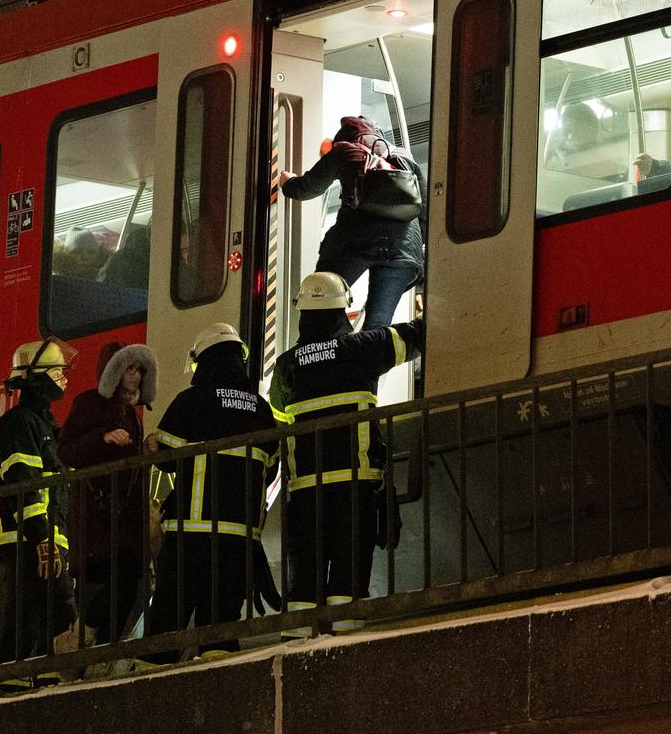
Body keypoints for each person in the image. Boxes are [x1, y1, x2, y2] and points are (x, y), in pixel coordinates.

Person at [275, 271, 424, 637]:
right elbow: (416, 337)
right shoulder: (362, 348)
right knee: (349, 555)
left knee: (305, 561)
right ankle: (344, 627)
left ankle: (297, 630)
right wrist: (423, 311)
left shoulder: (287, 364)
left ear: (302, 313)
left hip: (306, 484)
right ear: (344, 309)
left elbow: (279, 415)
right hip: (354, 479)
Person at [143, 324, 284, 663]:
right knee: (220, 628)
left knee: (166, 626)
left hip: (191, 536)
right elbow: (272, 468)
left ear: (202, 360)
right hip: (240, 538)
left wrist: (150, 444)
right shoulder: (261, 409)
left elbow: (164, 455)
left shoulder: (192, 401)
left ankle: (148, 702)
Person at [0, 339, 78, 688]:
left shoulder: (42, 426)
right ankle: (14, 680)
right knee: (42, 611)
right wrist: (42, 538)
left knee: (41, 612)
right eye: (58, 372)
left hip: (44, 537)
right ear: (38, 378)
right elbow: (25, 484)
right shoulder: (18, 425)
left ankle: (37, 678)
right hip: (27, 538)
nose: (64, 379)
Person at [279, 117, 422, 330]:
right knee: (377, 327)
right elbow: (426, 210)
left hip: (354, 245)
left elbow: (307, 188)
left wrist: (288, 181)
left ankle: (339, 351)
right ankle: (363, 358)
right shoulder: (404, 156)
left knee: (319, 303)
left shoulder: (346, 150)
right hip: (404, 252)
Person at [58, 342, 159, 646]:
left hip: (123, 520)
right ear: (113, 371)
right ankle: (84, 637)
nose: (136, 375)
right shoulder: (89, 403)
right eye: (129, 368)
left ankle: (100, 646)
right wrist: (101, 437)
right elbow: (66, 450)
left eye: (140, 370)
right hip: (98, 519)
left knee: (127, 582)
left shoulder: (132, 414)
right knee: (120, 579)